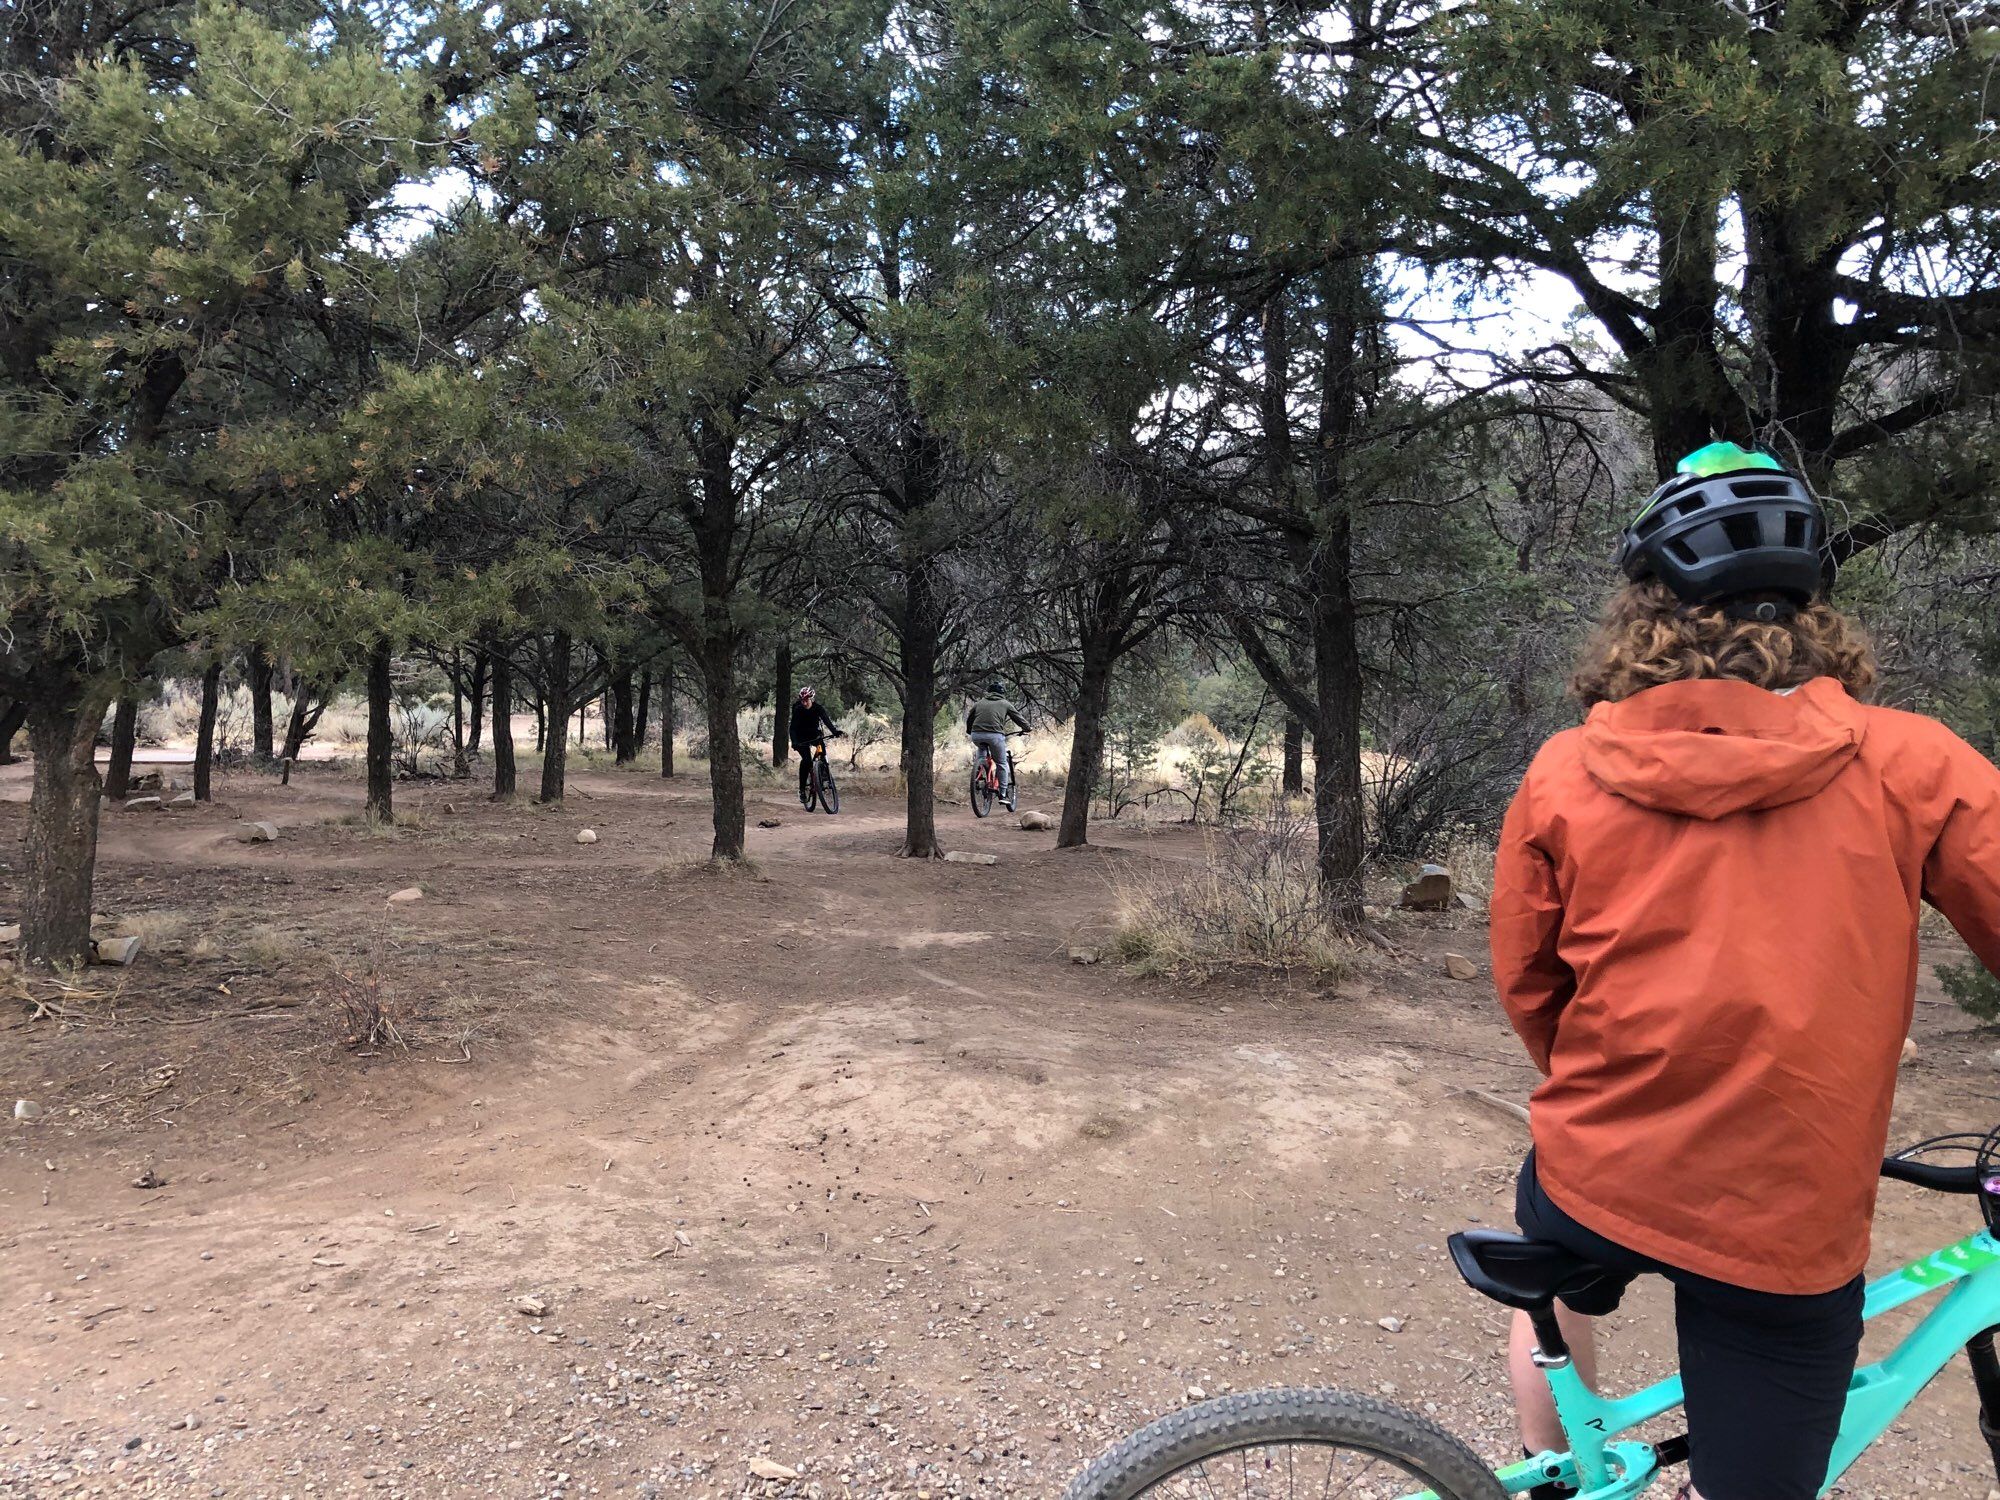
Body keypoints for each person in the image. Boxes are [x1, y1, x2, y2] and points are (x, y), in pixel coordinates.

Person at [1491, 442, 2000, 1500]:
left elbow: (1529, 981)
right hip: (1784, 1209)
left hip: (1600, 1158)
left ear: (1641, 609)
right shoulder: (1911, 762)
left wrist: (1604, 1072)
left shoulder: (1564, 769)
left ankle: (1553, 1476)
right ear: (1812, 607)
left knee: (1555, 1276)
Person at [965, 682, 1028, 799]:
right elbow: (1019, 718)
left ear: (988, 693)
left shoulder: (979, 703)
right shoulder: (1005, 704)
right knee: (1001, 763)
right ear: (1002, 694)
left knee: (982, 749)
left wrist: (970, 731)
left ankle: (978, 771)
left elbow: (969, 719)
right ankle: (1003, 793)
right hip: (995, 736)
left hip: (976, 735)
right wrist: (1027, 728)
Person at [788, 686, 840, 800]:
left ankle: (824, 775)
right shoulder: (798, 709)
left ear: (812, 699)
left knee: (821, 753)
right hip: (801, 738)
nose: (804, 703)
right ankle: (802, 789)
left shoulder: (818, 708)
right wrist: (794, 741)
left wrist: (835, 732)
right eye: (802, 700)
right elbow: (792, 728)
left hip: (815, 735)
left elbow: (826, 720)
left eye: (806, 700)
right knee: (806, 761)